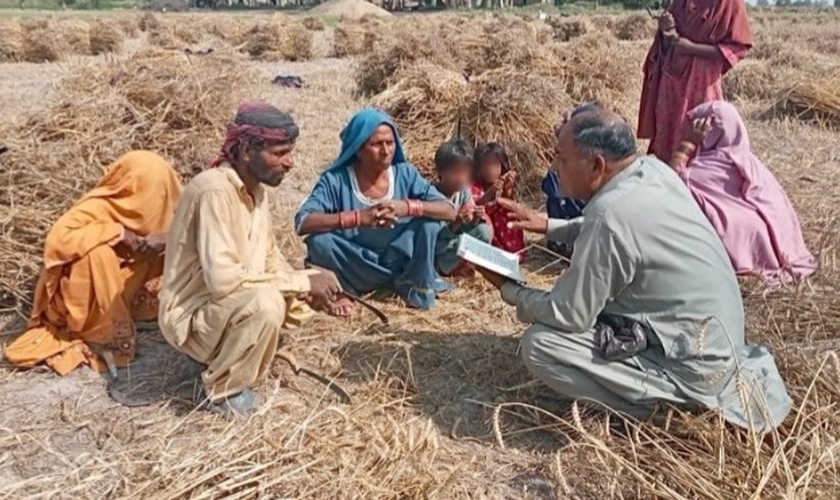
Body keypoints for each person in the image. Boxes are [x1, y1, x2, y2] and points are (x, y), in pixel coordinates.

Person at [478, 109, 792, 432]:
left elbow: (569, 315)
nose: (555, 167)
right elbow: (619, 229)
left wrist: (509, 288)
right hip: (719, 347)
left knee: (541, 346)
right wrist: (548, 225)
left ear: (597, 165)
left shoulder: (609, 217)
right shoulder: (652, 171)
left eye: (562, 158)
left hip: (694, 373)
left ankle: (663, 415)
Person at [158, 102, 343, 418]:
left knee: (295, 298)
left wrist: (307, 288)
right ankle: (225, 390)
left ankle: (236, 347)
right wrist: (300, 282)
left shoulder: (256, 190)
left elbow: (269, 257)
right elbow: (223, 282)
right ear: (246, 151)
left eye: (290, 153)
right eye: (280, 153)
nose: (290, 163)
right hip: (192, 316)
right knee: (266, 304)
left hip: (227, 302)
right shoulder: (213, 191)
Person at [5, 151, 182, 375]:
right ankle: (98, 330)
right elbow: (57, 240)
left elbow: (200, 233)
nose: (152, 198)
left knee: (177, 248)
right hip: (82, 301)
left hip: (128, 288)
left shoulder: (168, 209)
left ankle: (130, 310)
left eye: (159, 190)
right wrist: (118, 233)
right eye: (147, 190)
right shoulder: (99, 207)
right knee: (97, 254)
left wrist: (166, 239)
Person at [295, 108, 457, 310]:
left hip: (399, 263)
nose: (386, 151)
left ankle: (413, 285)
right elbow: (303, 222)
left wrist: (407, 207)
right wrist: (358, 218)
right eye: (377, 144)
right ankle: (343, 290)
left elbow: (450, 210)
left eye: (390, 143)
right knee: (320, 242)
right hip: (354, 263)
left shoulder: (405, 174)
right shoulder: (336, 180)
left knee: (428, 224)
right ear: (358, 149)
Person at [670, 100, 818, 284]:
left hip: (745, 251)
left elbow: (669, 182)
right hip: (788, 250)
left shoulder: (707, 168)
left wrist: (688, 142)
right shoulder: (752, 163)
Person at [638, 0, 752, 163]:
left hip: (702, 84)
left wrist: (691, 48)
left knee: (700, 133)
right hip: (670, 82)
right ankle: (669, 174)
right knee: (667, 136)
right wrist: (667, 30)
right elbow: (668, 43)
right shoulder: (679, 3)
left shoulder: (728, 3)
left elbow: (738, 47)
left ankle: (692, 176)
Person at [432, 139, 493, 277]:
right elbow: (435, 236)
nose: (461, 178)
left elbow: (469, 225)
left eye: (465, 173)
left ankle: (463, 265)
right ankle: (441, 268)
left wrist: (475, 217)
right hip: (439, 248)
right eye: (455, 173)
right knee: (460, 244)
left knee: (483, 231)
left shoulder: (464, 192)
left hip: (455, 244)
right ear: (440, 171)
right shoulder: (432, 196)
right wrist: (456, 222)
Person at [472, 142, 526, 259]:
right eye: (486, 165)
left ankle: (510, 250)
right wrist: (491, 191)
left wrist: (508, 189)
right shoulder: (475, 186)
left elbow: (508, 203)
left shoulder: (503, 183)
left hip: (502, 227)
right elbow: (477, 204)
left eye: (495, 165)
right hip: (485, 226)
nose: (490, 170)